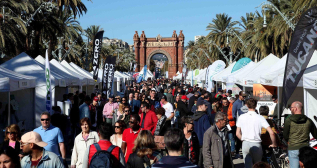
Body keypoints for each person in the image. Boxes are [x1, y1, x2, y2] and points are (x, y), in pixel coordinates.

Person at [236, 98, 277, 168]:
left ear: (246, 105)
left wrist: (243, 140)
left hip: (245, 143)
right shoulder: (260, 118)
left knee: (247, 165)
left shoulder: (241, 117)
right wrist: (274, 143)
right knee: (258, 165)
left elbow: (237, 133)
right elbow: (271, 132)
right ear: (256, 105)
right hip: (256, 143)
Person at [283, 101, 317, 168]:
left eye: (291, 108)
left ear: (295, 108)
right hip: (305, 149)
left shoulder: (288, 120)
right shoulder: (308, 120)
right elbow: (315, 135)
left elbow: (285, 135)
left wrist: (288, 141)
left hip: (293, 147)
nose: (290, 109)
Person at [192, 97, 211, 167]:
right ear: (200, 106)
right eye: (205, 105)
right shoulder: (204, 116)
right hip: (203, 142)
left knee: (196, 160)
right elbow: (208, 130)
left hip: (194, 141)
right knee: (202, 161)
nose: (206, 107)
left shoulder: (193, 116)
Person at [232, 91, 247, 158]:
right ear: (239, 96)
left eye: (245, 96)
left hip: (245, 124)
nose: (244, 97)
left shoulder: (244, 102)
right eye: (243, 96)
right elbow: (233, 114)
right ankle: (237, 152)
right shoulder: (236, 103)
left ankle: (244, 151)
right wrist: (237, 123)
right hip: (239, 124)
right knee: (239, 139)